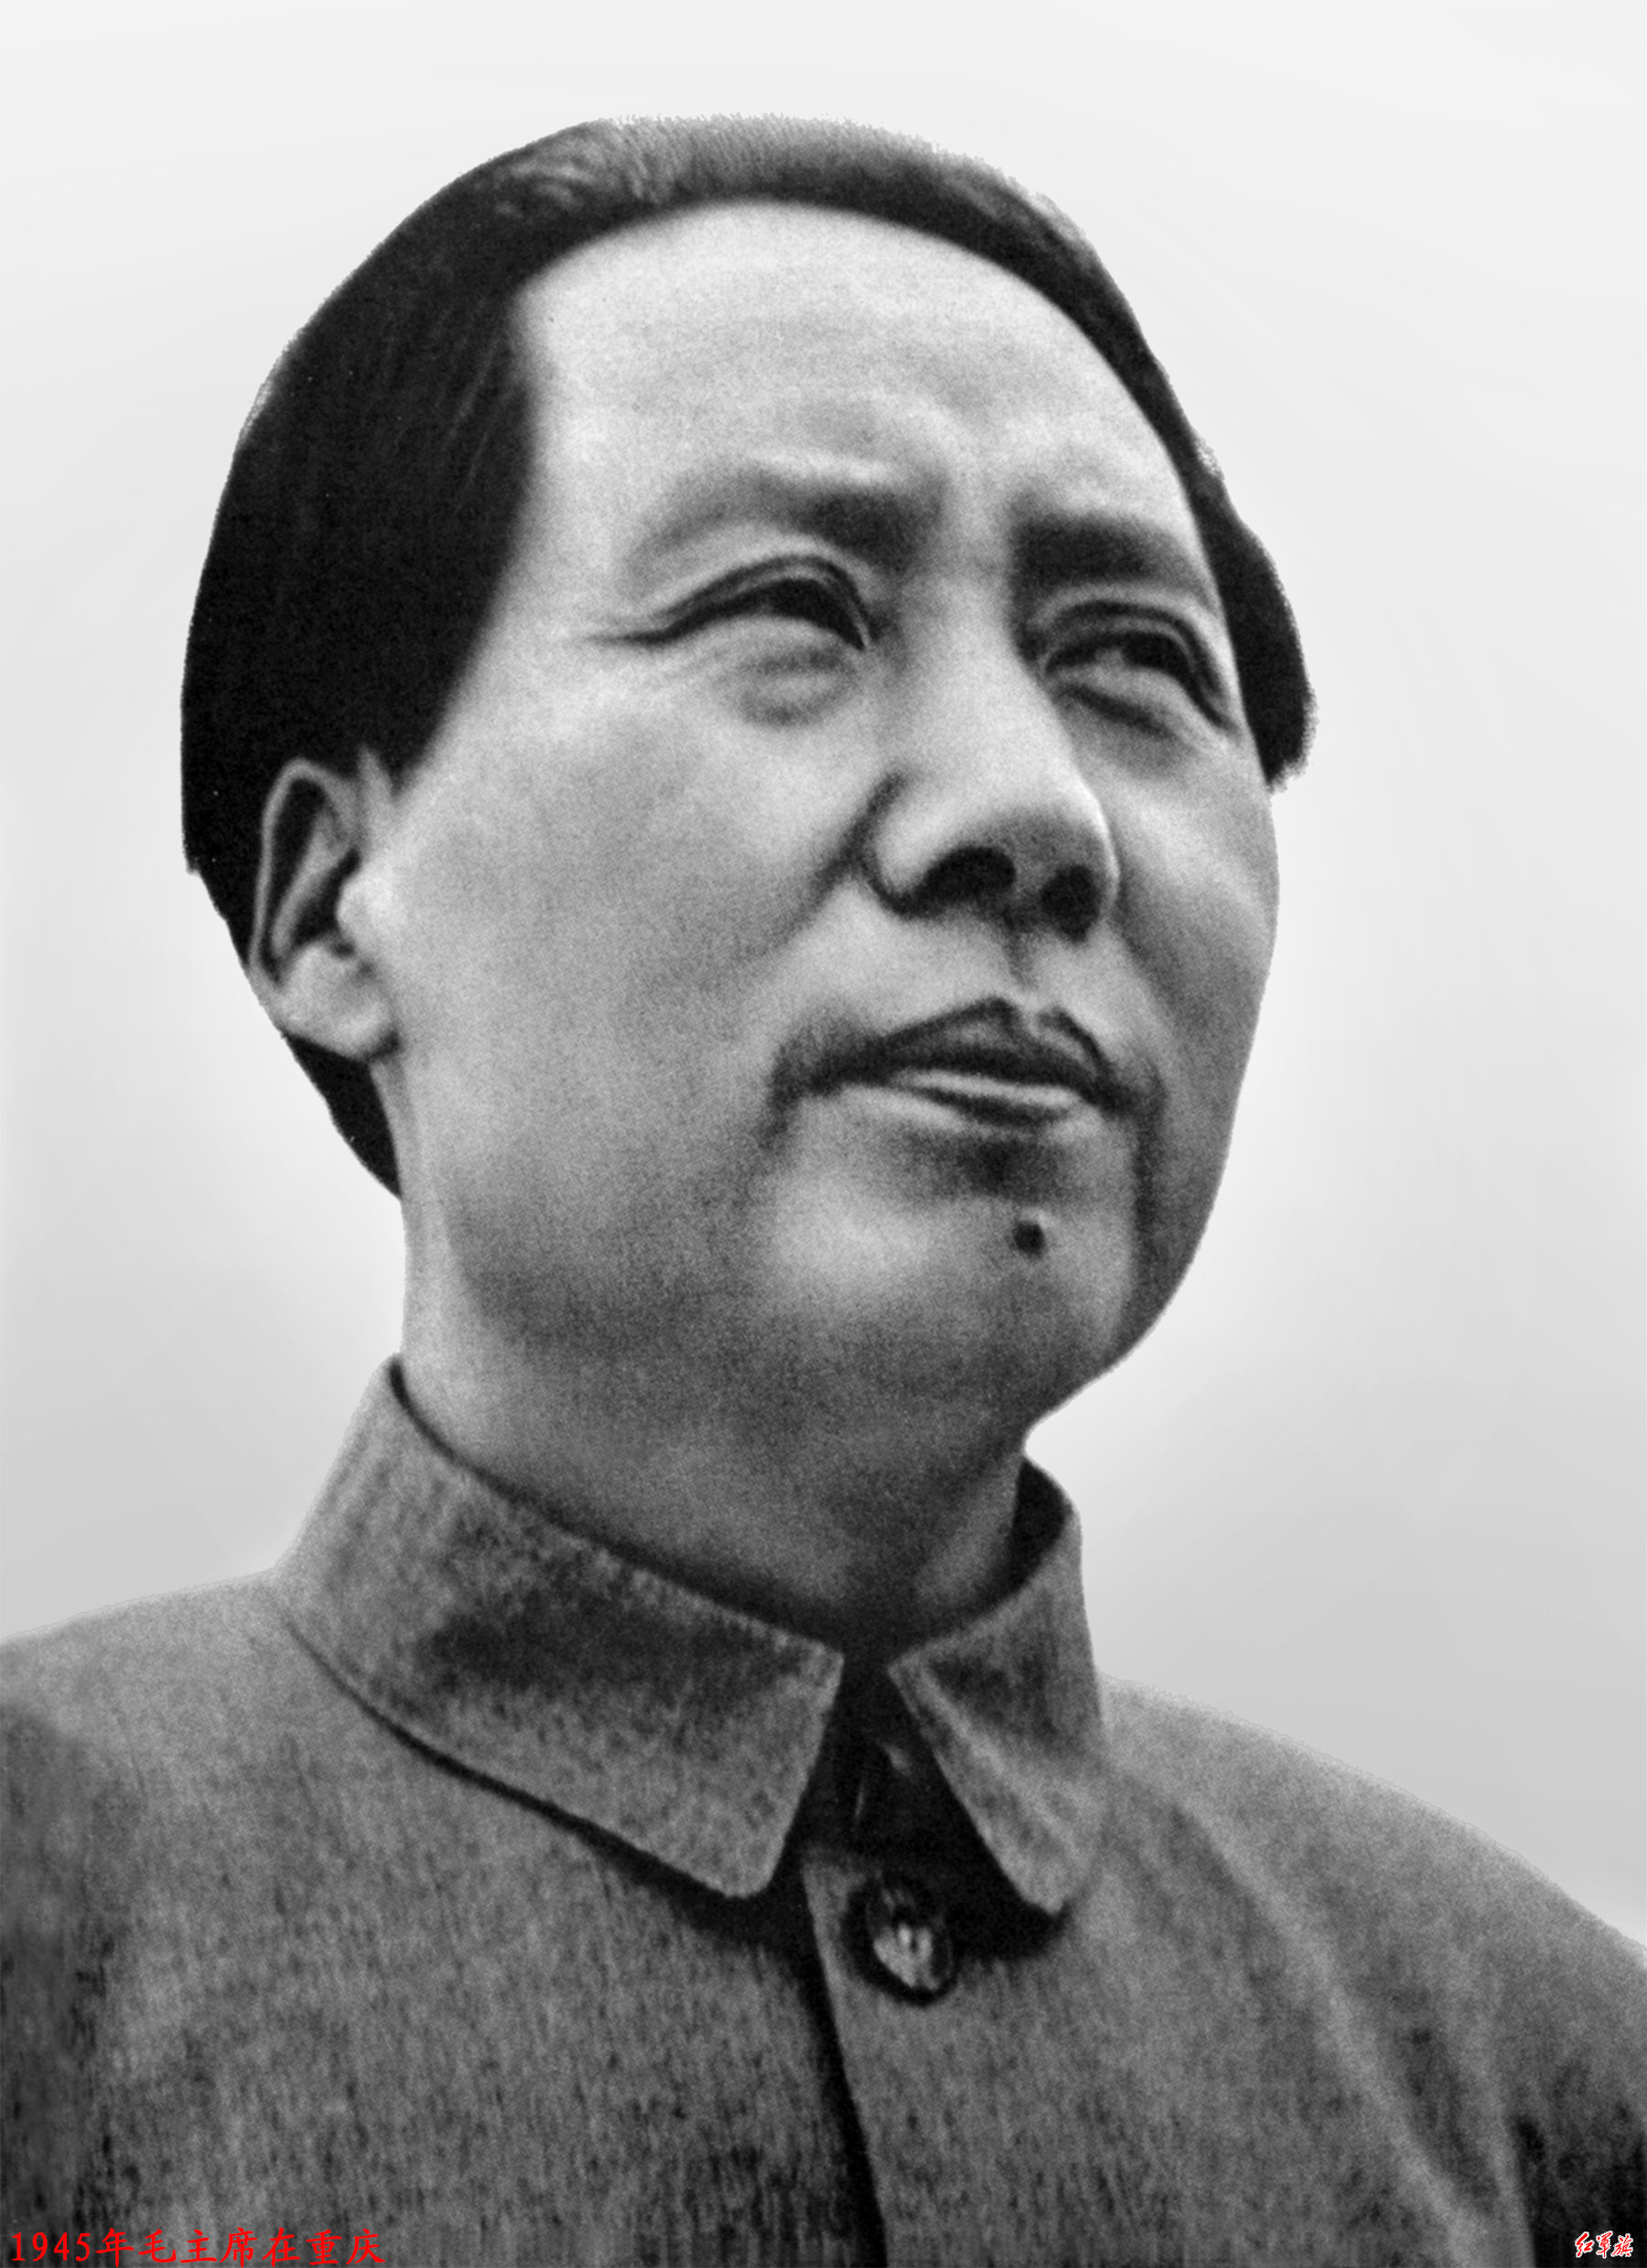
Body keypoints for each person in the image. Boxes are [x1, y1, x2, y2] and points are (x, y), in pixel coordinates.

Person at [3, 115, 1641, 2267]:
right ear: (329, 903)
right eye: (794, 610)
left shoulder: (1557, 2095)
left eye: (1135, 664)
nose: (1037, 813)